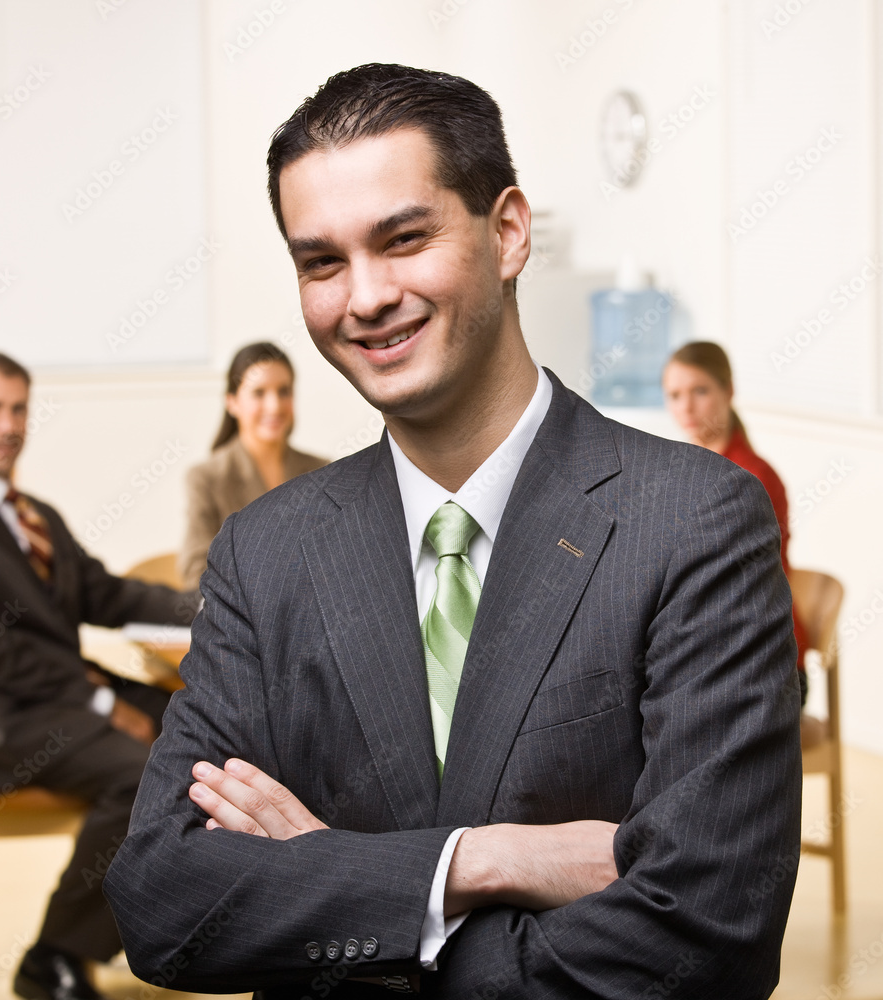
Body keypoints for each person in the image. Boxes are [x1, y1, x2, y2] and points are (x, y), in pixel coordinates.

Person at [104, 64, 801, 999]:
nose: (365, 296)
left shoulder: (694, 520)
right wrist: (475, 863)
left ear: (508, 232)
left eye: (404, 239)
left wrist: (338, 887)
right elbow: (161, 901)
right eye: (322, 262)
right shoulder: (263, 553)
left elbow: (709, 937)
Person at [0, 352, 198, 1000]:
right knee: (146, 774)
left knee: (199, 732)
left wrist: (209, 604)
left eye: (19, 408)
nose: (9, 424)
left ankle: (151, 922)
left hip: (60, 703)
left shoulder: (33, 516)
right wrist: (99, 701)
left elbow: (107, 597)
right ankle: (51, 956)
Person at [662, 341, 811, 705]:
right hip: (708, 650)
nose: (686, 407)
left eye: (700, 391)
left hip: (767, 661)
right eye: (675, 395)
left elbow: (739, 590)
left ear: (728, 390)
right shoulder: (675, 472)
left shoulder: (754, 478)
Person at [179, 341, 327, 586]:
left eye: (284, 391)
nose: (274, 406)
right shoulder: (207, 478)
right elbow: (196, 572)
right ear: (232, 402)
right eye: (259, 393)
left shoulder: (321, 470)